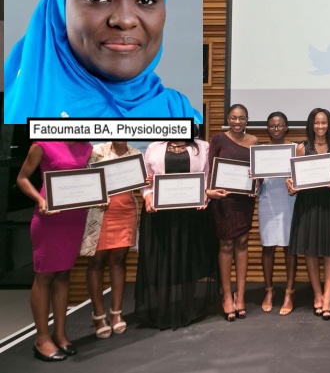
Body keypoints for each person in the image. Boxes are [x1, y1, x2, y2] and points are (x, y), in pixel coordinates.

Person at [3, 0, 200, 123]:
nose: (124, 20)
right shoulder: (15, 117)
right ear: (60, 8)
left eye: (146, 0)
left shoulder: (182, 117)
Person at [17, 141, 93, 361]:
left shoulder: (86, 147)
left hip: (75, 217)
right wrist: (40, 199)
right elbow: (22, 178)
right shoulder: (42, 144)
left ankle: (60, 334)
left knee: (64, 274)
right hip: (49, 217)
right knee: (45, 276)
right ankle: (41, 339)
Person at [135, 138, 217, 330]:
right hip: (160, 213)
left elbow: (207, 177)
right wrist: (147, 196)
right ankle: (163, 308)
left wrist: (205, 194)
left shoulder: (203, 146)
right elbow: (146, 178)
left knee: (188, 259)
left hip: (191, 213)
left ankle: (186, 307)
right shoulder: (153, 147)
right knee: (163, 259)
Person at [286, 108, 330, 321]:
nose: (320, 126)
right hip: (308, 202)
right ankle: (317, 295)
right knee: (310, 251)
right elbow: (293, 176)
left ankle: (328, 297)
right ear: (311, 124)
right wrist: (290, 183)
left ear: (329, 124)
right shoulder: (302, 147)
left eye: (324, 122)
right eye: (317, 123)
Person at [81, 141, 144, 339]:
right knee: (96, 261)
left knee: (119, 260)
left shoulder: (135, 154)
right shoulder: (97, 152)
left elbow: (139, 184)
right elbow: (84, 180)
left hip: (125, 211)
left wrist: (146, 180)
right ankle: (98, 315)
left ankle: (116, 313)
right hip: (99, 212)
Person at [206, 105, 258, 321]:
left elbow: (258, 171)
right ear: (228, 118)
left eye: (242, 118)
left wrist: (255, 183)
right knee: (226, 244)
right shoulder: (217, 140)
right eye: (234, 118)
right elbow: (210, 170)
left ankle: (241, 295)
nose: (237, 122)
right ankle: (227, 296)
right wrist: (211, 192)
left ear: (247, 120)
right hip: (223, 199)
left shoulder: (254, 141)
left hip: (244, 200)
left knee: (243, 242)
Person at [257, 111, 298, 316]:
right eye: (272, 126)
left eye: (280, 125)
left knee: (289, 248)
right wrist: (253, 176)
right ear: (268, 128)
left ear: (286, 127)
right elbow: (255, 183)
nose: (276, 129)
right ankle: (269, 291)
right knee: (268, 247)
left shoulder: (294, 149)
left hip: (289, 200)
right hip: (267, 201)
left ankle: (289, 293)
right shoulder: (260, 151)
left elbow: (302, 175)